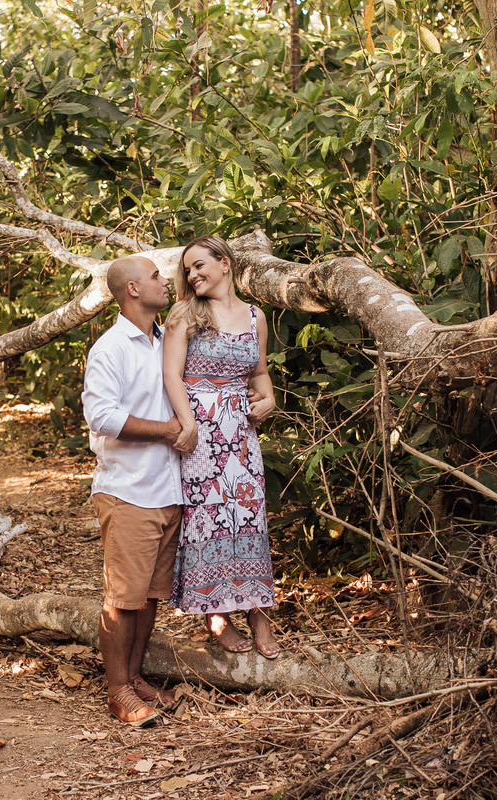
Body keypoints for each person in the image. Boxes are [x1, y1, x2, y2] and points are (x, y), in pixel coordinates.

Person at [162, 235, 281, 659]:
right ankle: (216, 615)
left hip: (242, 434)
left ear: (225, 263)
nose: (192, 275)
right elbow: (172, 375)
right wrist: (189, 422)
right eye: (187, 270)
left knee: (249, 519)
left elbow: (260, 373)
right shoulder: (185, 314)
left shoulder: (255, 316)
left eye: (199, 266)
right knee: (207, 521)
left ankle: (259, 613)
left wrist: (268, 400)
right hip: (200, 434)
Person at [82, 254, 186, 728]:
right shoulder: (110, 349)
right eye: (156, 277)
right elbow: (101, 417)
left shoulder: (166, 339)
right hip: (128, 490)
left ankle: (136, 675)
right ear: (133, 291)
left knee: (148, 596)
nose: (165, 282)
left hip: (167, 488)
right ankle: (117, 690)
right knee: (123, 597)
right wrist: (167, 431)